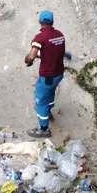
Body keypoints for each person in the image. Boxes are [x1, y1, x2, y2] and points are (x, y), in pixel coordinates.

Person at [24, 10, 68, 138]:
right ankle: (48, 112)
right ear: (52, 22)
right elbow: (56, 51)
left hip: (47, 76)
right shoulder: (60, 35)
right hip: (58, 74)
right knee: (50, 93)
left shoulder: (40, 37)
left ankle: (43, 129)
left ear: (39, 22)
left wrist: (28, 60)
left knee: (40, 101)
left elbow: (31, 55)